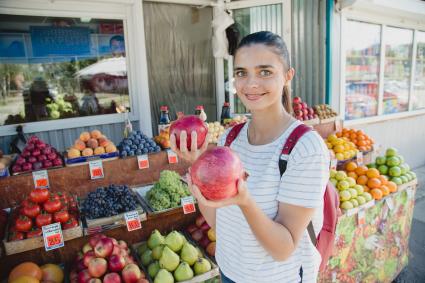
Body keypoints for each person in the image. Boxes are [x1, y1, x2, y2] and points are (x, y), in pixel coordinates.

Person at [170, 31, 330, 283]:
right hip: (230, 272)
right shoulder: (229, 139)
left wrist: (245, 201)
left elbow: (283, 248)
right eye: (241, 73)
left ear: (288, 76)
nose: (250, 83)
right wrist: (198, 164)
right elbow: (219, 223)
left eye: (265, 71)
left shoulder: (305, 148)